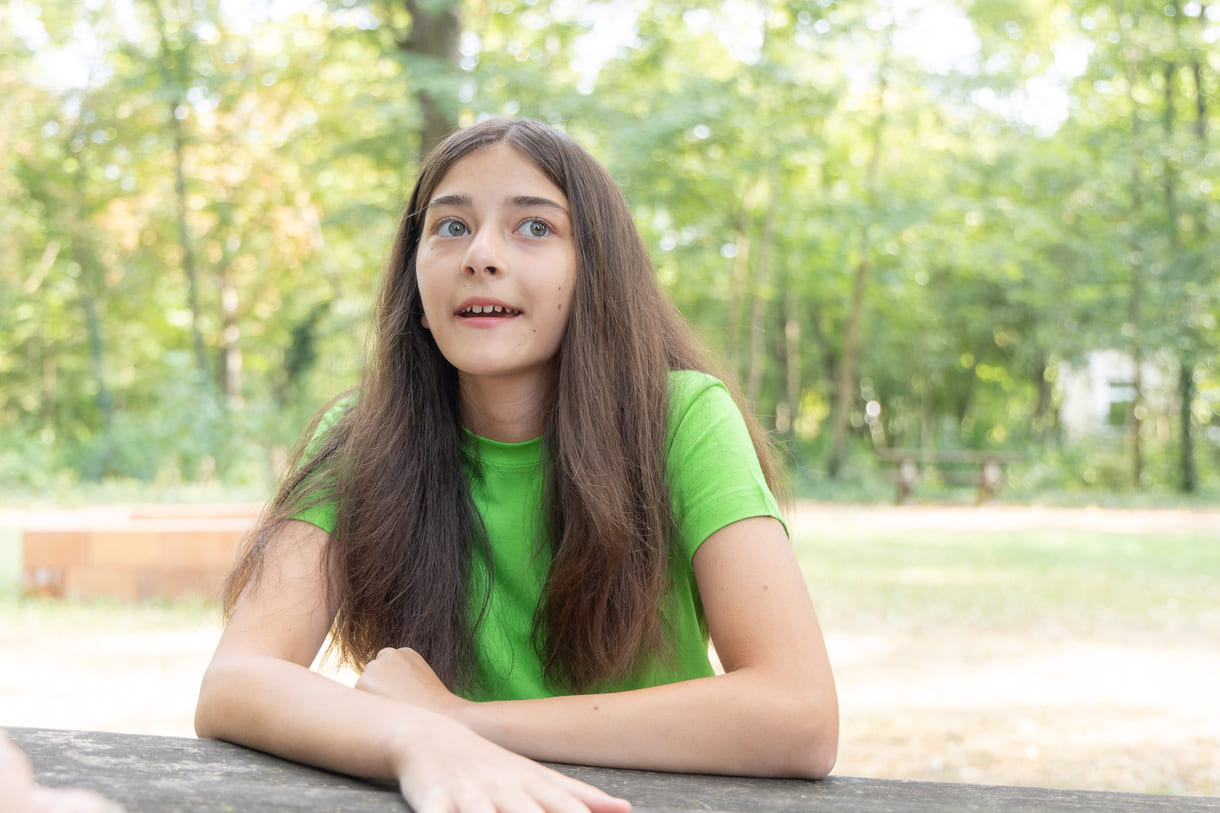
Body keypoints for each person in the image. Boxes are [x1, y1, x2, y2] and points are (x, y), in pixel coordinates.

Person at [195, 118, 838, 813]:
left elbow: (798, 714)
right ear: (415, 283)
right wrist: (414, 741)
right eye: (449, 227)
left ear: (597, 272)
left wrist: (462, 721)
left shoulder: (682, 416)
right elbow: (235, 680)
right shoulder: (359, 435)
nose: (481, 254)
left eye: (534, 227)